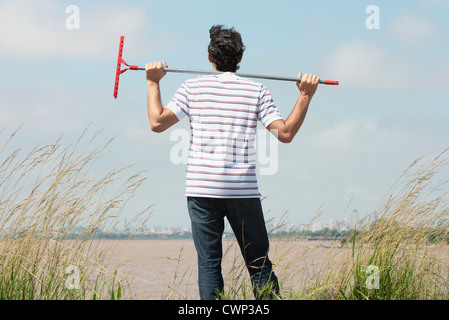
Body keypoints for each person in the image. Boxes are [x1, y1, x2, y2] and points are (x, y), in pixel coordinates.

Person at [145, 25, 319, 300]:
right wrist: (306, 95)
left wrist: (153, 81)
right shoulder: (257, 90)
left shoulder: (191, 87)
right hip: (242, 191)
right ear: (239, 59)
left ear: (209, 57)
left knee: (209, 264)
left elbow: (157, 122)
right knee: (259, 263)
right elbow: (285, 133)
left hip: (201, 190)